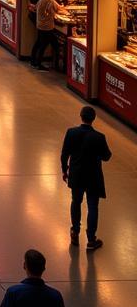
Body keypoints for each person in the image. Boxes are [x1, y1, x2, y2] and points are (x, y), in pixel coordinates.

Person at [60, 106, 111, 250]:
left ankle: (75, 232)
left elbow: (64, 155)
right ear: (93, 119)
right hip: (93, 178)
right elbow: (107, 156)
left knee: (76, 202)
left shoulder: (71, 133)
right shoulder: (99, 137)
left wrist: (65, 170)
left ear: (80, 116)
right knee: (93, 207)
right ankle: (91, 240)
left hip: (76, 176)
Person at [31, 0, 61, 70]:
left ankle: (33, 61)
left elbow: (36, 7)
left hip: (40, 24)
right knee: (46, 45)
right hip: (47, 26)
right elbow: (57, 9)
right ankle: (41, 65)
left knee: (39, 43)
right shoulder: (50, 0)